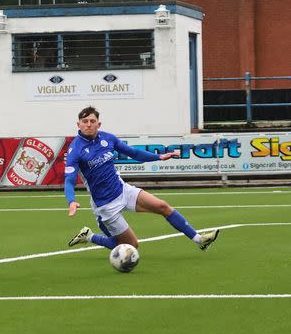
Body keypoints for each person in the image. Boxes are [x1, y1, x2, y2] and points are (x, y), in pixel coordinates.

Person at [65, 106, 219, 253]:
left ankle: (200, 239)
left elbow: (134, 153)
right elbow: (70, 180)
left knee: (162, 206)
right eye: (85, 122)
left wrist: (159, 157)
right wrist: (71, 200)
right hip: (106, 206)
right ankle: (90, 236)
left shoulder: (108, 138)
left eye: (92, 121)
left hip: (123, 190)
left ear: (99, 124)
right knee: (131, 245)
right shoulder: (75, 150)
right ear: (78, 124)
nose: (89, 125)